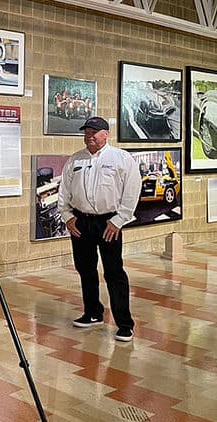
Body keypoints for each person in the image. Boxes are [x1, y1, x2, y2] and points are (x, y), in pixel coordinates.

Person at [57, 116, 142, 342]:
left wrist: (119, 220)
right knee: (85, 268)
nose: (89, 136)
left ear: (106, 134)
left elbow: (133, 190)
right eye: (86, 132)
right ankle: (93, 312)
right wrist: (67, 217)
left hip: (108, 223)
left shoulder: (121, 159)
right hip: (81, 222)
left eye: (94, 132)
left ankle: (124, 324)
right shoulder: (76, 160)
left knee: (114, 272)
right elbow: (64, 190)